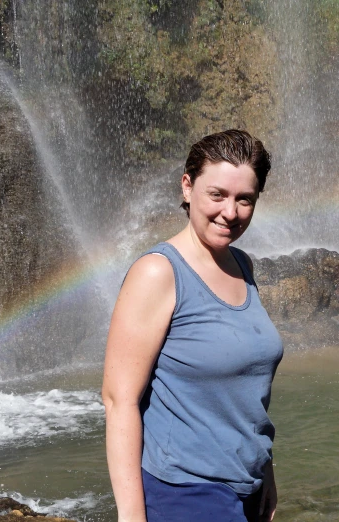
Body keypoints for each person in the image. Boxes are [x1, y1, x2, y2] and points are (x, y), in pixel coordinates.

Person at [102, 129, 284, 522]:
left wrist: (264, 469)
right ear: (187, 187)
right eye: (216, 195)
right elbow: (119, 401)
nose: (230, 212)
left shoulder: (242, 265)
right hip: (185, 491)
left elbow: (243, 389)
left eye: (244, 200)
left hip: (245, 485)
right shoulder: (158, 272)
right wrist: (131, 516)